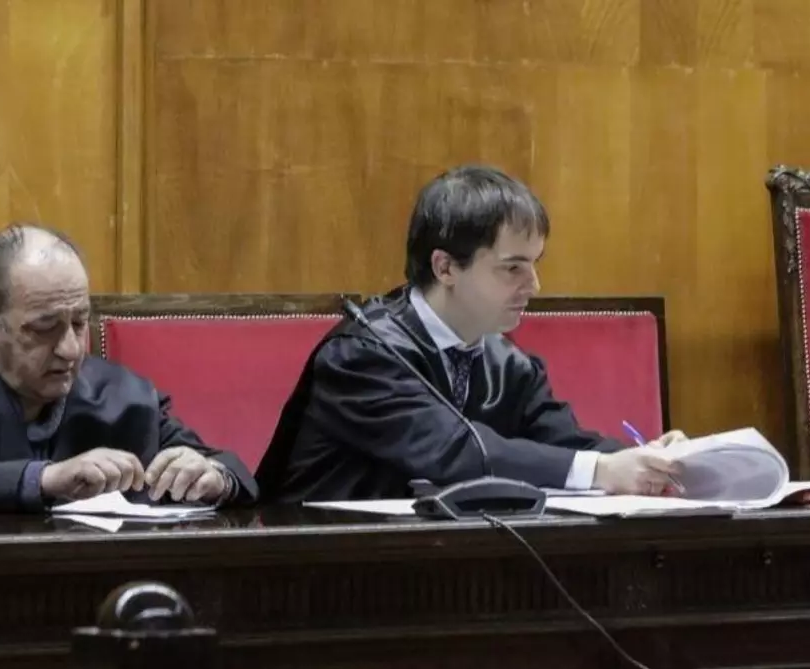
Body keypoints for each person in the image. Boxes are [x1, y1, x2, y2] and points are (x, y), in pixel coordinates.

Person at [255, 164, 686, 503]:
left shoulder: (506, 361)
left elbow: (566, 443)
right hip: (320, 567)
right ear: (445, 268)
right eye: (512, 267)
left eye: (535, 265)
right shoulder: (361, 356)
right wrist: (603, 471)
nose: (534, 285)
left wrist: (649, 460)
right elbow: (453, 452)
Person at [0, 224, 256, 512]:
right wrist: (44, 480)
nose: (70, 349)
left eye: (79, 323)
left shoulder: (125, 397)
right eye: (44, 328)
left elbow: (229, 469)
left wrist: (214, 477)